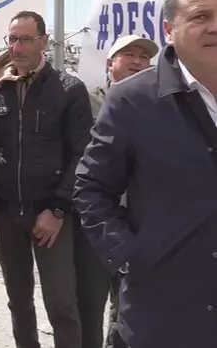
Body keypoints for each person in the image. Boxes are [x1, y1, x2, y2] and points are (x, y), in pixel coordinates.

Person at [74, 0, 217, 348]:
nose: (214, 26)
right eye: (201, 16)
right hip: (164, 315)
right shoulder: (132, 100)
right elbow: (91, 188)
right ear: (169, 29)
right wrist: (129, 257)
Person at [0, 10, 92, 348]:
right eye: (12, 39)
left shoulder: (68, 89)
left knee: (61, 303)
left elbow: (82, 154)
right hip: (6, 213)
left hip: (50, 214)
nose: (17, 47)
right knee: (18, 302)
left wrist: (58, 209)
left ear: (43, 41)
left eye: (26, 39)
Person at [84, 34, 157, 348]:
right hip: (96, 220)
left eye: (144, 56)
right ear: (110, 62)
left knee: (129, 307)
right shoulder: (86, 99)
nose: (138, 61)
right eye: (129, 54)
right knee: (89, 302)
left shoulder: (160, 106)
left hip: (141, 224)